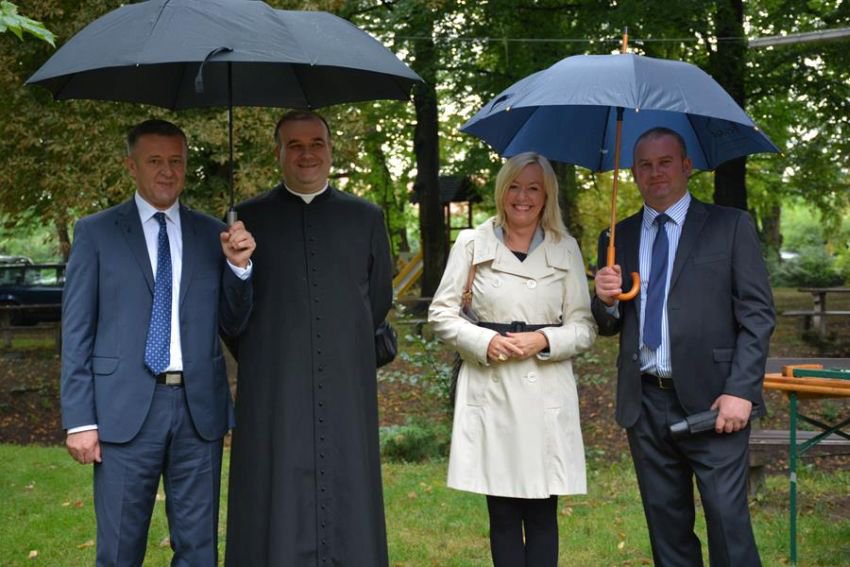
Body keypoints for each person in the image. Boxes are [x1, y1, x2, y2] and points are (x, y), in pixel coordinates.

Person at [60, 119, 255, 566]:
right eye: (154, 161)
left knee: (199, 551)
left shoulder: (213, 234)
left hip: (198, 412)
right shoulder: (96, 232)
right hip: (123, 411)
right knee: (119, 551)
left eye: (176, 161)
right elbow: (76, 331)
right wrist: (80, 419)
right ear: (132, 166)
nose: (167, 171)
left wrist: (239, 269)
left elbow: (235, 323)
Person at [592, 127, 775, 566]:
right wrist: (605, 299)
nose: (655, 173)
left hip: (715, 403)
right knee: (667, 531)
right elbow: (608, 325)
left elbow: (758, 315)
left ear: (687, 166)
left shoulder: (730, 226)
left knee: (728, 525)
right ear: (633, 172)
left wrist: (741, 391)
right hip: (645, 404)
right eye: (644, 165)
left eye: (665, 162)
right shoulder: (616, 237)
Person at [225, 110, 393, 565]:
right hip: (274, 385)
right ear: (277, 153)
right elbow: (231, 318)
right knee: (273, 492)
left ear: (330, 150)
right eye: (294, 145)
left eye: (316, 143)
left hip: (345, 383)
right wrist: (237, 267)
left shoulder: (365, 217)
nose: (307, 154)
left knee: (348, 488)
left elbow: (377, 302)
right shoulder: (246, 220)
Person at [428, 152, 597, 566]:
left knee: (542, 513)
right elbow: (441, 314)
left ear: (547, 196)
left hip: (546, 393)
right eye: (515, 187)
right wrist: (484, 341)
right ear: (502, 191)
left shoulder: (565, 248)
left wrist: (544, 339)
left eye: (533, 188)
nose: (523, 197)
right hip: (492, 390)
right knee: (502, 513)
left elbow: (584, 327)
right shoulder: (472, 243)